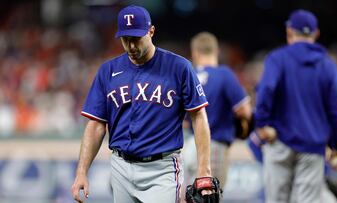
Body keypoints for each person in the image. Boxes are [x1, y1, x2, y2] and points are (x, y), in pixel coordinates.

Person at [71, 5, 213, 203]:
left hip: (161, 168)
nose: (131, 46)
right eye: (125, 39)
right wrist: (81, 172)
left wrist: (204, 171)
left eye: (136, 39)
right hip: (120, 166)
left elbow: (199, 117)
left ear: (151, 32)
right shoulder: (108, 71)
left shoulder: (179, 67)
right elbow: (95, 125)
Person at [254, 9, 337, 203]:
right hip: (312, 146)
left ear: (289, 31)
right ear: (316, 33)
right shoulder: (326, 64)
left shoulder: (277, 58)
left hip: (278, 140)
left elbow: (266, 91)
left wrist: (262, 124)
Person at [183, 31, 252, 190]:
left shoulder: (188, 76)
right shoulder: (224, 74)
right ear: (216, 51)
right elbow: (245, 111)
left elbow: (183, 121)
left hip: (189, 148)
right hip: (213, 147)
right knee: (210, 197)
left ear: (195, 52)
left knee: (189, 197)